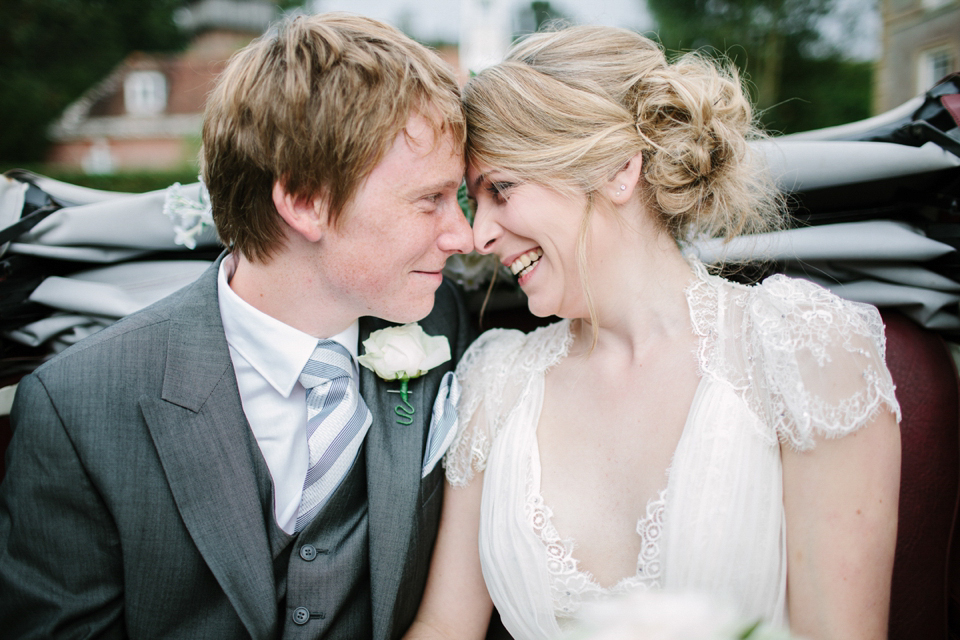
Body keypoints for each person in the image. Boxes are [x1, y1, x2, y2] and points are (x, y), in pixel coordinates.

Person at [405, 25, 901, 640]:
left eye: (501, 190)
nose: (479, 237)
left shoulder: (799, 350)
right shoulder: (496, 382)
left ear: (618, 170)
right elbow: (442, 627)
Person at [0, 13, 474, 639]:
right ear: (306, 202)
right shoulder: (79, 407)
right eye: (429, 200)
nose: (462, 235)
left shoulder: (447, 327)